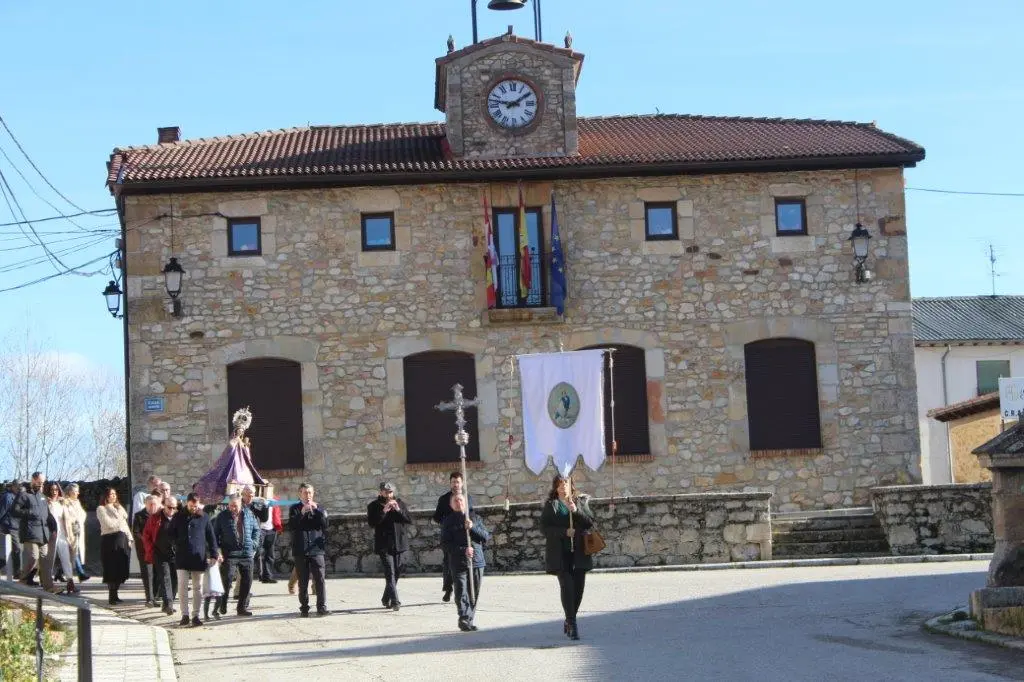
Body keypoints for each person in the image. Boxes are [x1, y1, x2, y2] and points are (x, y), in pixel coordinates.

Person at [540, 474, 594, 641]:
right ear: (556, 487)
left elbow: (589, 522)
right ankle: (573, 623)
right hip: (560, 554)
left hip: (578, 553)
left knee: (578, 590)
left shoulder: (579, 502)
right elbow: (545, 529)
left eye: (566, 483)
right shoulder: (551, 505)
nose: (563, 486)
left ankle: (569, 618)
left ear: (572, 486)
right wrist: (564, 532)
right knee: (567, 587)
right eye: (560, 484)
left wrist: (575, 511)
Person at [441, 493, 490, 632]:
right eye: (455, 501)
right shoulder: (448, 521)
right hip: (458, 561)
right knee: (461, 590)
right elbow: (445, 544)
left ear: (466, 502)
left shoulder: (475, 518)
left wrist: (473, 527)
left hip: (476, 562)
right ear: (451, 505)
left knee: (473, 592)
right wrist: (463, 550)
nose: (458, 502)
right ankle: (463, 617)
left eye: (461, 500)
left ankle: (469, 619)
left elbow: (486, 537)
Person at [170, 492, 219, 627]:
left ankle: (196, 615)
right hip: (182, 557)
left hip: (198, 557)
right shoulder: (178, 516)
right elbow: (170, 534)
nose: (193, 508)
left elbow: (211, 537)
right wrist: (175, 545)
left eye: (196, 506)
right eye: (191, 506)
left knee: (197, 588)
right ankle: (185, 615)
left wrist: (214, 554)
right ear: (187, 503)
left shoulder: (204, 517)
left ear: (199, 504)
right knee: (182, 586)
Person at [212, 493, 260, 618]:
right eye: (230, 505)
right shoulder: (222, 516)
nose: (232, 508)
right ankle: (223, 603)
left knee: (247, 581)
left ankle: (242, 608)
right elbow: (214, 535)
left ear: (241, 504)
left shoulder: (249, 514)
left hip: (247, 553)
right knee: (226, 580)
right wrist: (218, 551)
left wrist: (253, 544)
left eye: (235, 506)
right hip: (230, 553)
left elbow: (256, 530)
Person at [367, 482, 411, 611]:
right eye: (386, 492)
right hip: (384, 545)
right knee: (390, 572)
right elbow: (372, 523)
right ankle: (395, 601)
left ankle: (386, 598)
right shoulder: (373, 506)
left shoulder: (400, 503)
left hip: (399, 543)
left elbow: (408, 520)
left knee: (396, 572)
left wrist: (398, 510)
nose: (388, 494)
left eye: (390, 492)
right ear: (380, 492)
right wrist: (384, 510)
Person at [289, 483, 329, 617]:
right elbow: (292, 526)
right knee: (303, 581)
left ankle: (321, 607)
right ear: (300, 494)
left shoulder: (319, 508)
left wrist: (316, 511)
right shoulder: (294, 509)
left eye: (310, 493)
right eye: (305, 493)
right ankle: (304, 607)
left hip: (317, 550)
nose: (308, 495)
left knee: (320, 580)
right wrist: (302, 513)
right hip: (301, 550)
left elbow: (325, 524)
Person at [433, 471, 473, 602]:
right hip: (450, 535)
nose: (455, 484)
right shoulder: (444, 499)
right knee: (448, 562)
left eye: (458, 482)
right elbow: (437, 517)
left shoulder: (468, 498)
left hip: (464, 534)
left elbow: (472, 514)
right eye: (453, 482)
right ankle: (448, 588)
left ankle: (464, 589)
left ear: (462, 483)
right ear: (450, 483)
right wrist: (446, 522)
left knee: (464, 562)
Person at [11, 472, 53, 590]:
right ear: (33, 480)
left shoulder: (43, 497)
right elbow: (14, 511)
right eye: (39, 482)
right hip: (30, 533)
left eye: (43, 483)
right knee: (34, 557)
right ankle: (22, 580)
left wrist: (53, 527)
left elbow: (47, 515)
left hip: (43, 533)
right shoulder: (24, 495)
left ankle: (49, 587)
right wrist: (29, 513)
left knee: (45, 560)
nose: (41, 485)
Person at [97, 487, 133, 605]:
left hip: (122, 539)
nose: (114, 496)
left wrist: (130, 537)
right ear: (106, 496)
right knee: (111, 568)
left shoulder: (119, 508)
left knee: (121, 568)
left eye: (114, 493)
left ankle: (116, 594)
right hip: (110, 540)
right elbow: (108, 524)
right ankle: (111, 596)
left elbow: (124, 524)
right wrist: (120, 518)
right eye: (111, 494)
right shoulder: (101, 509)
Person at [144, 495, 179, 615]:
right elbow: (146, 535)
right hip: (159, 553)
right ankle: (168, 604)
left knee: (175, 579)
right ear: (164, 506)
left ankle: (168, 603)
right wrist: (151, 550)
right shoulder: (155, 518)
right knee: (165, 578)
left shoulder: (178, 517)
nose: (172, 510)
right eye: (169, 507)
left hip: (175, 554)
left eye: (175, 508)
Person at [44, 483, 76, 594]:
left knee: (66, 557)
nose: (54, 491)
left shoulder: (62, 503)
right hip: (51, 533)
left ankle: (70, 581)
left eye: (56, 489)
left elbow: (71, 513)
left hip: (62, 533)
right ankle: (47, 582)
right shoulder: (46, 502)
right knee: (50, 559)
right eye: (52, 489)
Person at [133, 495, 159, 606]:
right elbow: (136, 532)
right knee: (147, 574)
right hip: (144, 550)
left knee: (157, 574)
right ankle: (149, 598)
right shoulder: (139, 516)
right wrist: (145, 539)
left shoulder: (159, 515)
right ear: (146, 504)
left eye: (154, 504)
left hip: (158, 549)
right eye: (150, 504)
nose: (153, 506)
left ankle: (154, 597)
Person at [63, 484, 89, 582]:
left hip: (78, 529)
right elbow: (67, 516)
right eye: (75, 491)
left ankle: (59, 572)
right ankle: (80, 573)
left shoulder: (77, 502)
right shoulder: (65, 502)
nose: (77, 493)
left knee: (73, 552)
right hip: (69, 530)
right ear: (69, 492)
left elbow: (82, 515)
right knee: (74, 551)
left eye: (77, 491)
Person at [0, 479, 23, 581]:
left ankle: (18, 572)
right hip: (9, 526)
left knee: (15, 550)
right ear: (13, 486)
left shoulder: (17, 496)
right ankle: (18, 573)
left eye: (20, 487)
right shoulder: (7, 497)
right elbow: (2, 512)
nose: (19, 489)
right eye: (17, 487)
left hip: (16, 526)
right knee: (17, 549)